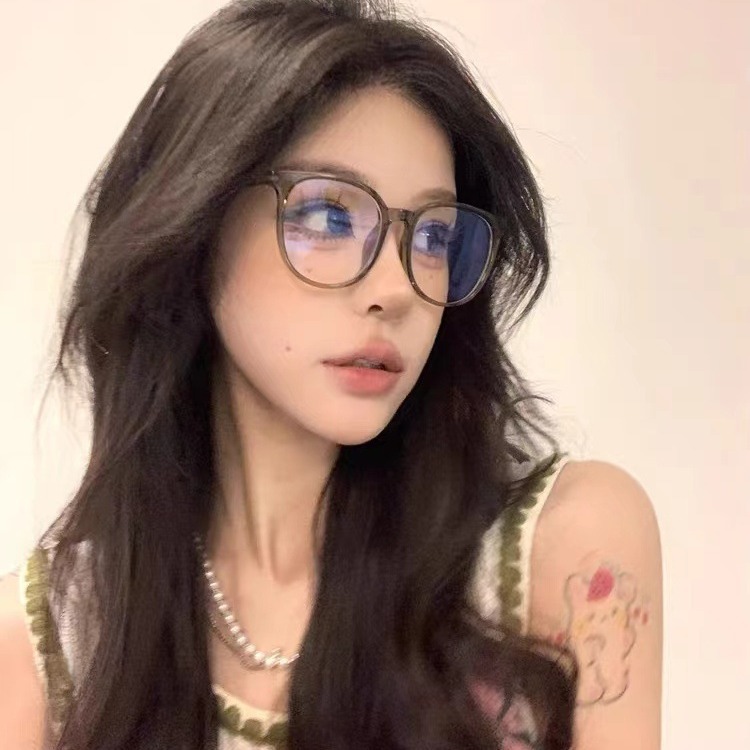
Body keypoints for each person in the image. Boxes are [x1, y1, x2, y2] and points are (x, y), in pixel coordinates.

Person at [0, 1, 662, 748]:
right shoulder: (54, 645)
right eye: (330, 218)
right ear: (194, 229)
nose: (398, 287)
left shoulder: (565, 548)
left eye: (435, 236)